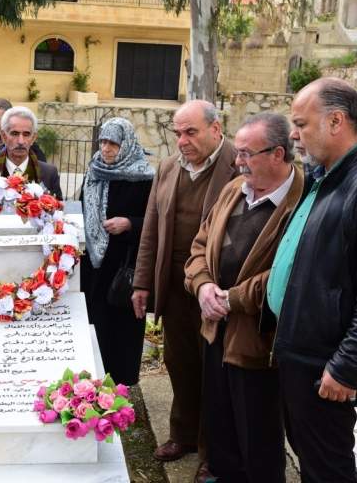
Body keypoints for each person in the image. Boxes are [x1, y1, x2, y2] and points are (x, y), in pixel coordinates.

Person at [267, 78, 357, 482]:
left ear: (336, 121)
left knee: (327, 469)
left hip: (326, 364)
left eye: (301, 123)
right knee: (312, 459)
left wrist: (347, 368)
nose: (293, 134)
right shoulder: (326, 176)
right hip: (301, 350)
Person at [185, 113, 304, 482]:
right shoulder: (234, 189)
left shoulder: (301, 204)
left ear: (278, 154)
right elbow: (200, 246)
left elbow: (290, 271)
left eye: (247, 154)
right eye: (238, 153)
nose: (238, 162)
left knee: (258, 434)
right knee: (219, 421)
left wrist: (232, 300)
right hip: (215, 329)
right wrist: (203, 285)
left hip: (259, 341)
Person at [131, 100, 237, 475]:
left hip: (218, 289)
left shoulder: (239, 165)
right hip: (175, 287)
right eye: (177, 133)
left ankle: (212, 452)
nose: (182, 141)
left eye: (190, 132)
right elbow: (151, 229)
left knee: (215, 372)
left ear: (216, 129)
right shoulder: (168, 167)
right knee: (179, 363)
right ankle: (183, 434)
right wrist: (143, 281)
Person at [80, 118, 154, 386]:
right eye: (103, 142)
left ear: (126, 145)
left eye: (113, 143)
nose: (107, 149)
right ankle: (91, 385)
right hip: (94, 266)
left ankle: (120, 390)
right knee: (94, 328)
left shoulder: (144, 177)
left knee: (120, 333)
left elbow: (155, 222)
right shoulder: (94, 171)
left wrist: (129, 224)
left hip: (125, 266)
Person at [0, 106, 63, 199]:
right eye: (15, 134)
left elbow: (58, 209)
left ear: (33, 138)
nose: (21, 141)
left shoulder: (49, 173)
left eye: (26, 134)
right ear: (3, 136)